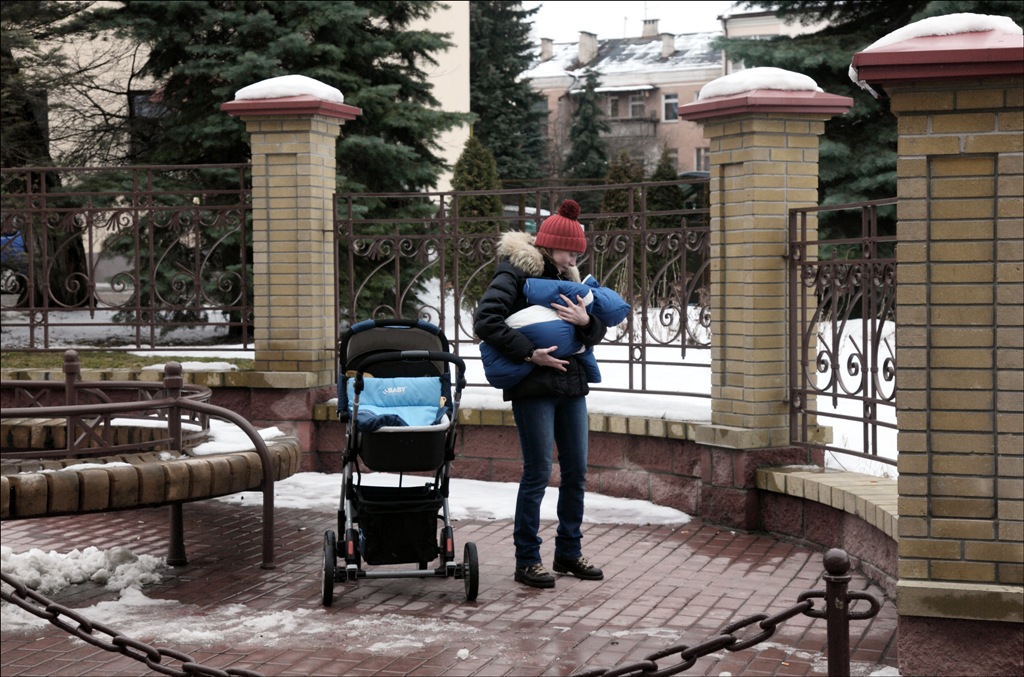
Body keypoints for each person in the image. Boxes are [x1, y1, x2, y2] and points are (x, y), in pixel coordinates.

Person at [473, 199, 608, 589]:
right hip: (534, 386)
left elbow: (594, 331)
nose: (573, 259)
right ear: (549, 245)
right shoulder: (515, 272)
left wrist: (587, 321)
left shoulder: (569, 277)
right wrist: (530, 353)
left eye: (577, 254)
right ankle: (527, 560)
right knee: (537, 473)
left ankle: (568, 552)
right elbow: (486, 320)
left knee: (576, 472)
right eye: (569, 252)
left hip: (572, 384)